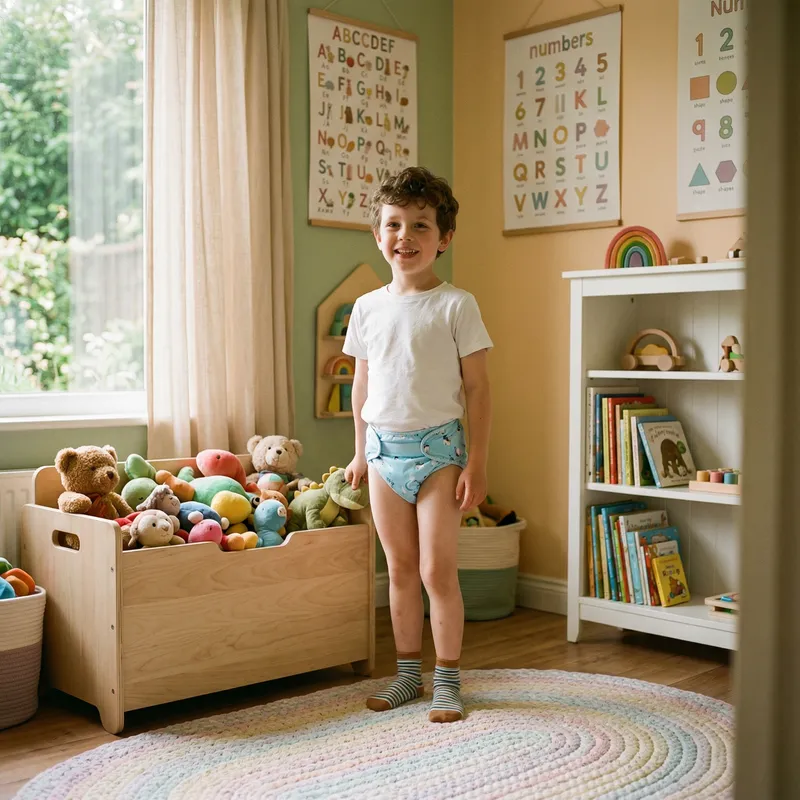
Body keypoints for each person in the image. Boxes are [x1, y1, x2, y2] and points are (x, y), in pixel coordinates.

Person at [343, 166, 493, 723]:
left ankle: (448, 679)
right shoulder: (366, 308)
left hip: (439, 454)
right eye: (394, 225)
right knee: (399, 570)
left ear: (444, 237)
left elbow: (478, 390)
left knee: (436, 571)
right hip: (383, 452)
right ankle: (409, 677)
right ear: (378, 234)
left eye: (420, 226)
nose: (405, 236)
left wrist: (477, 463)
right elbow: (361, 384)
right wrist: (360, 451)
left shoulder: (457, 305)